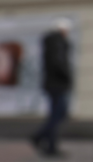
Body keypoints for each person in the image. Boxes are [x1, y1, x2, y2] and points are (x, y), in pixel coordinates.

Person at [30, 18, 72, 158]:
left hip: (52, 84)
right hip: (58, 84)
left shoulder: (52, 42)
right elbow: (59, 63)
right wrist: (68, 77)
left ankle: (49, 145)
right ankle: (41, 138)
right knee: (59, 114)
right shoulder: (58, 42)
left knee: (56, 115)